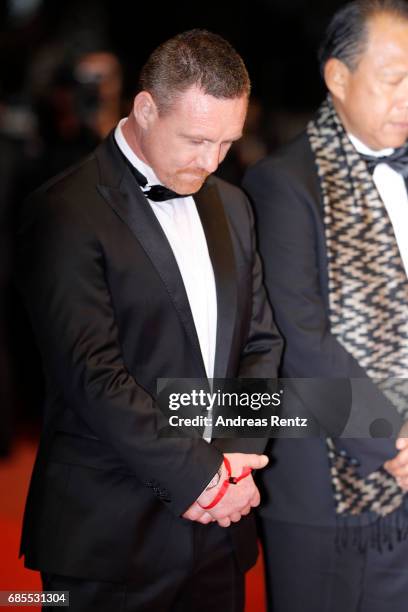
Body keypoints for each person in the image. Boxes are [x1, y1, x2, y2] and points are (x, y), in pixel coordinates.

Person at [16, 29, 282, 612]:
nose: (212, 161)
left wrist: (235, 461)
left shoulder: (232, 205)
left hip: (219, 530)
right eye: (196, 139)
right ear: (144, 108)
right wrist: (203, 479)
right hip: (105, 538)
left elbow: (261, 344)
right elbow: (93, 375)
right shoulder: (64, 211)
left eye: (227, 142)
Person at [243, 2, 408, 611]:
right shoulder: (281, 184)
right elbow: (301, 340)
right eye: (394, 78)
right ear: (338, 78)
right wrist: (394, 440)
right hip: (327, 492)